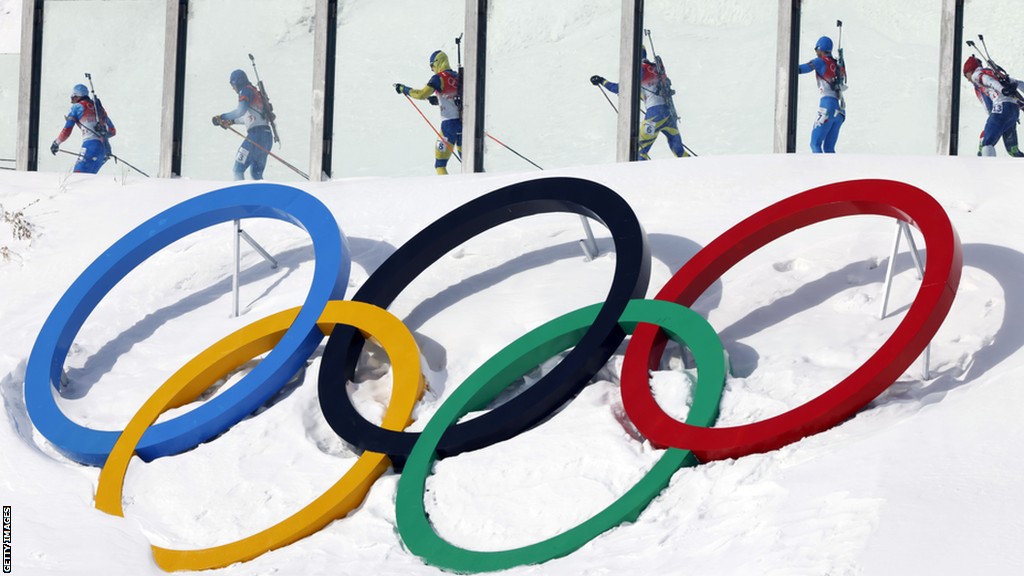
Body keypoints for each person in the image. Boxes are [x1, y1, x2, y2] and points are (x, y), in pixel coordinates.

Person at [590, 47, 688, 160]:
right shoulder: (655, 67)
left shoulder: (639, 69)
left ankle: (642, 176)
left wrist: (602, 81)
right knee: (679, 151)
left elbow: (620, 88)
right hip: (670, 115)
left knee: (639, 150)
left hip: (654, 115)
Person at [394, 50, 462, 175]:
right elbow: (454, 97)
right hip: (464, 123)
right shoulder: (458, 76)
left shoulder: (438, 78)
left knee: (440, 164)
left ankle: (446, 189)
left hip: (448, 126)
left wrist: (404, 89)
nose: (432, 69)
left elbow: (421, 94)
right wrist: (438, 100)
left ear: (437, 62)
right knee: (469, 162)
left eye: (432, 65)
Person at [212, 69, 273, 180]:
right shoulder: (255, 92)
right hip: (267, 137)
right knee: (256, 174)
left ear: (237, 82)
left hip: (255, 136)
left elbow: (240, 111)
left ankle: (239, 196)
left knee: (238, 169)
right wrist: (232, 122)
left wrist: (222, 117)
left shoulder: (245, 91)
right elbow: (250, 117)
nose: (232, 88)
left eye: (232, 84)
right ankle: (259, 196)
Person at [963, 55, 1024, 157]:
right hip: (1014, 112)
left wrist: (1001, 89)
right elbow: (1017, 83)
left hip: (1000, 110)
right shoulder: (997, 74)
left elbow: (988, 80)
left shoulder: (977, 75)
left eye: (966, 75)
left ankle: (987, 169)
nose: (968, 80)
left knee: (986, 143)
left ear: (970, 71)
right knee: (1013, 151)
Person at [50, 83, 116, 173]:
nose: (71, 101)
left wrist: (56, 143)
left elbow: (67, 130)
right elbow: (113, 131)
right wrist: (104, 133)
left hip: (90, 145)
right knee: (88, 181)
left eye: (72, 98)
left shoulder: (77, 107)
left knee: (78, 177)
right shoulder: (98, 108)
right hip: (105, 150)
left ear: (77, 96)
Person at [797, 36, 846, 153]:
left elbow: (800, 69)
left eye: (816, 49)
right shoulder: (838, 63)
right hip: (840, 108)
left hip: (827, 105)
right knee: (829, 148)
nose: (816, 52)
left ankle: (819, 171)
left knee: (815, 143)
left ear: (820, 48)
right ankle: (833, 170)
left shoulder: (820, 61)